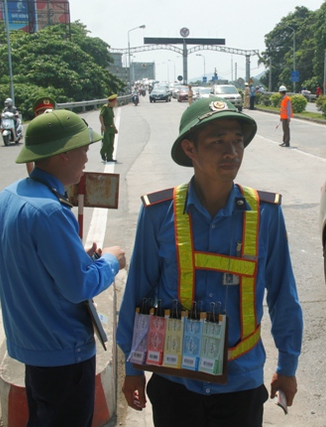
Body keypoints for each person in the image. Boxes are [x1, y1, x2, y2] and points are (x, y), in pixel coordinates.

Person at [117, 96, 303, 427]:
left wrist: (287, 366)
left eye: (237, 141)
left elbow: (283, 296)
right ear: (190, 150)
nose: (231, 152)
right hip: (175, 383)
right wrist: (133, 369)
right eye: (217, 142)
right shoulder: (158, 214)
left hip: (240, 381)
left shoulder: (265, 214)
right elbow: (137, 294)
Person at [0, 110, 127, 427]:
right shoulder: (50, 211)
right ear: (63, 153)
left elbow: (30, 262)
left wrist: (76, 255)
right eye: (83, 147)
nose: (87, 155)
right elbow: (78, 286)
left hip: (32, 344)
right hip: (63, 350)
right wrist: (111, 261)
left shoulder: (7, 197)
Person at [26, 96, 57, 175]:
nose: (45, 114)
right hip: (41, 173)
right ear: (36, 114)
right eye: (41, 112)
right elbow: (29, 157)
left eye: (47, 111)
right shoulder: (33, 131)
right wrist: (32, 176)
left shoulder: (59, 127)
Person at [99, 94, 118, 162]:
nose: (116, 103)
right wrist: (103, 125)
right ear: (112, 102)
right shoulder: (105, 107)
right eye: (115, 102)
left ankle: (109, 157)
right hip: (106, 127)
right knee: (106, 142)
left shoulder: (111, 109)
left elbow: (111, 120)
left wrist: (115, 128)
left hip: (111, 128)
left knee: (111, 143)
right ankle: (102, 152)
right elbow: (101, 116)